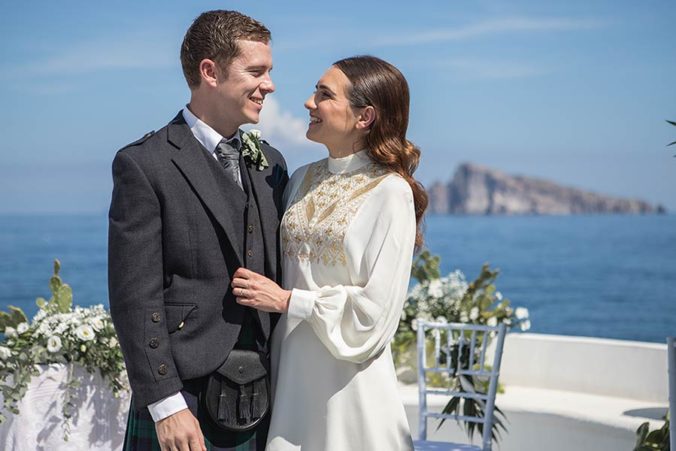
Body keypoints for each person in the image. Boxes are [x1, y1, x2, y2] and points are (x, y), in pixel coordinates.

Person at [108, 10, 287, 451]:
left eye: (270, 72)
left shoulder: (272, 163)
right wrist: (165, 403)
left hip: (266, 395)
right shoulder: (146, 164)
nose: (270, 85)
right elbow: (135, 296)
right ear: (210, 71)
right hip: (185, 398)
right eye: (256, 71)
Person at [232, 55, 428, 451]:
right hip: (289, 388)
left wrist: (290, 302)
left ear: (364, 116)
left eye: (324, 95)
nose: (308, 103)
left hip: (350, 391)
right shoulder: (301, 178)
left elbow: (375, 315)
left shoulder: (391, 193)